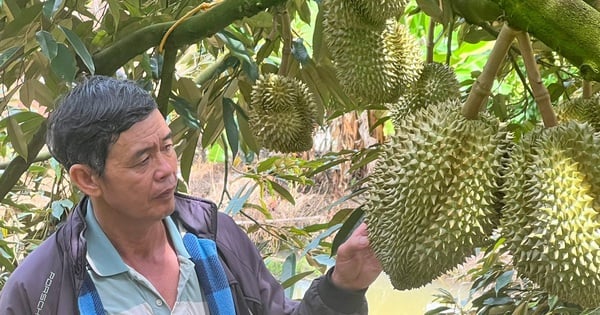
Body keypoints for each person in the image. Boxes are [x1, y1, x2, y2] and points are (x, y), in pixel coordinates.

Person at [0, 75, 382, 314]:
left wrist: (343, 289)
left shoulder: (219, 240)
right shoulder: (38, 292)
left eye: (167, 146)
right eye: (142, 159)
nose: (167, 168)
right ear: (87, 180)